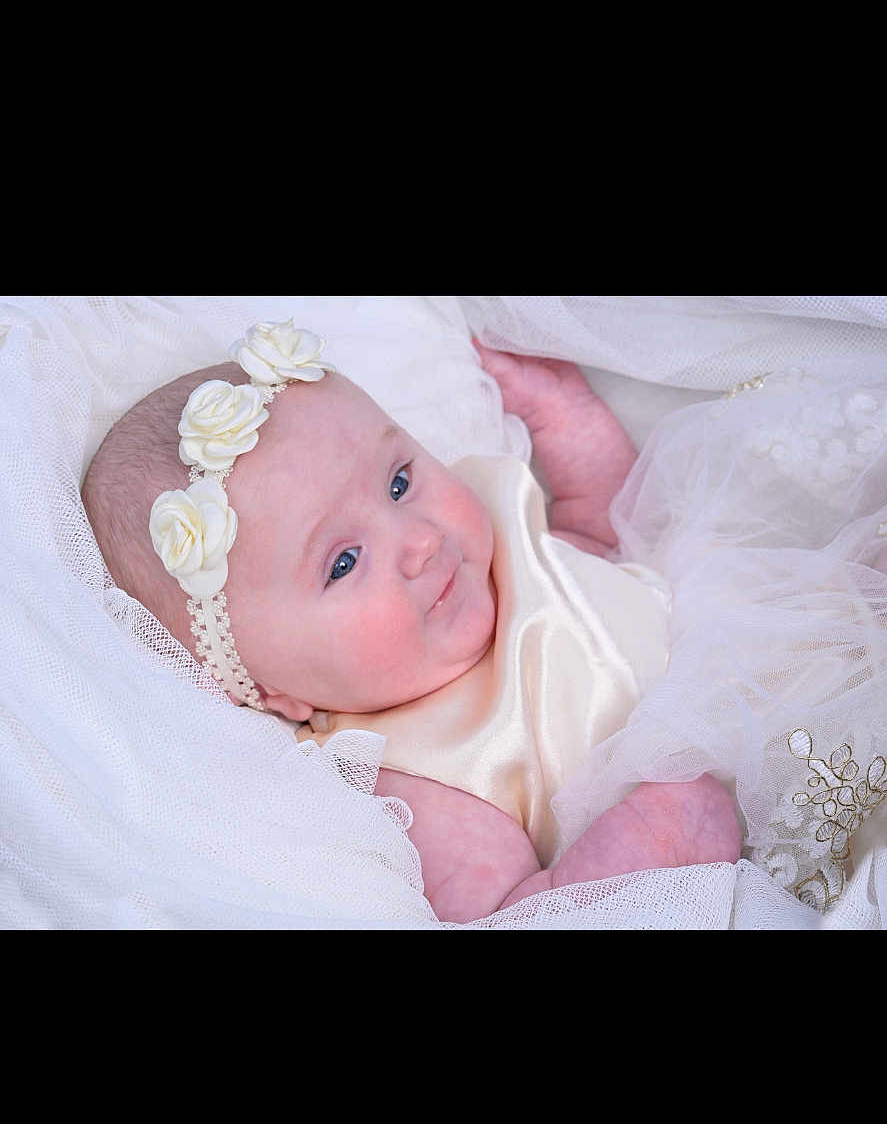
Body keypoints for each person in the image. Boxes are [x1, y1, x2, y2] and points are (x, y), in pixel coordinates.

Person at [81, 319, 741, 922]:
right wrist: (666, 829)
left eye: (398, 482)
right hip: (740, 789)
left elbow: (608, 524)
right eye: (343, 562)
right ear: (266, 689)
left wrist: (562, 413)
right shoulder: (419, 780)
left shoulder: (500, 539)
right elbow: (523, 914)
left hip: (761, 648)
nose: (418, 539)